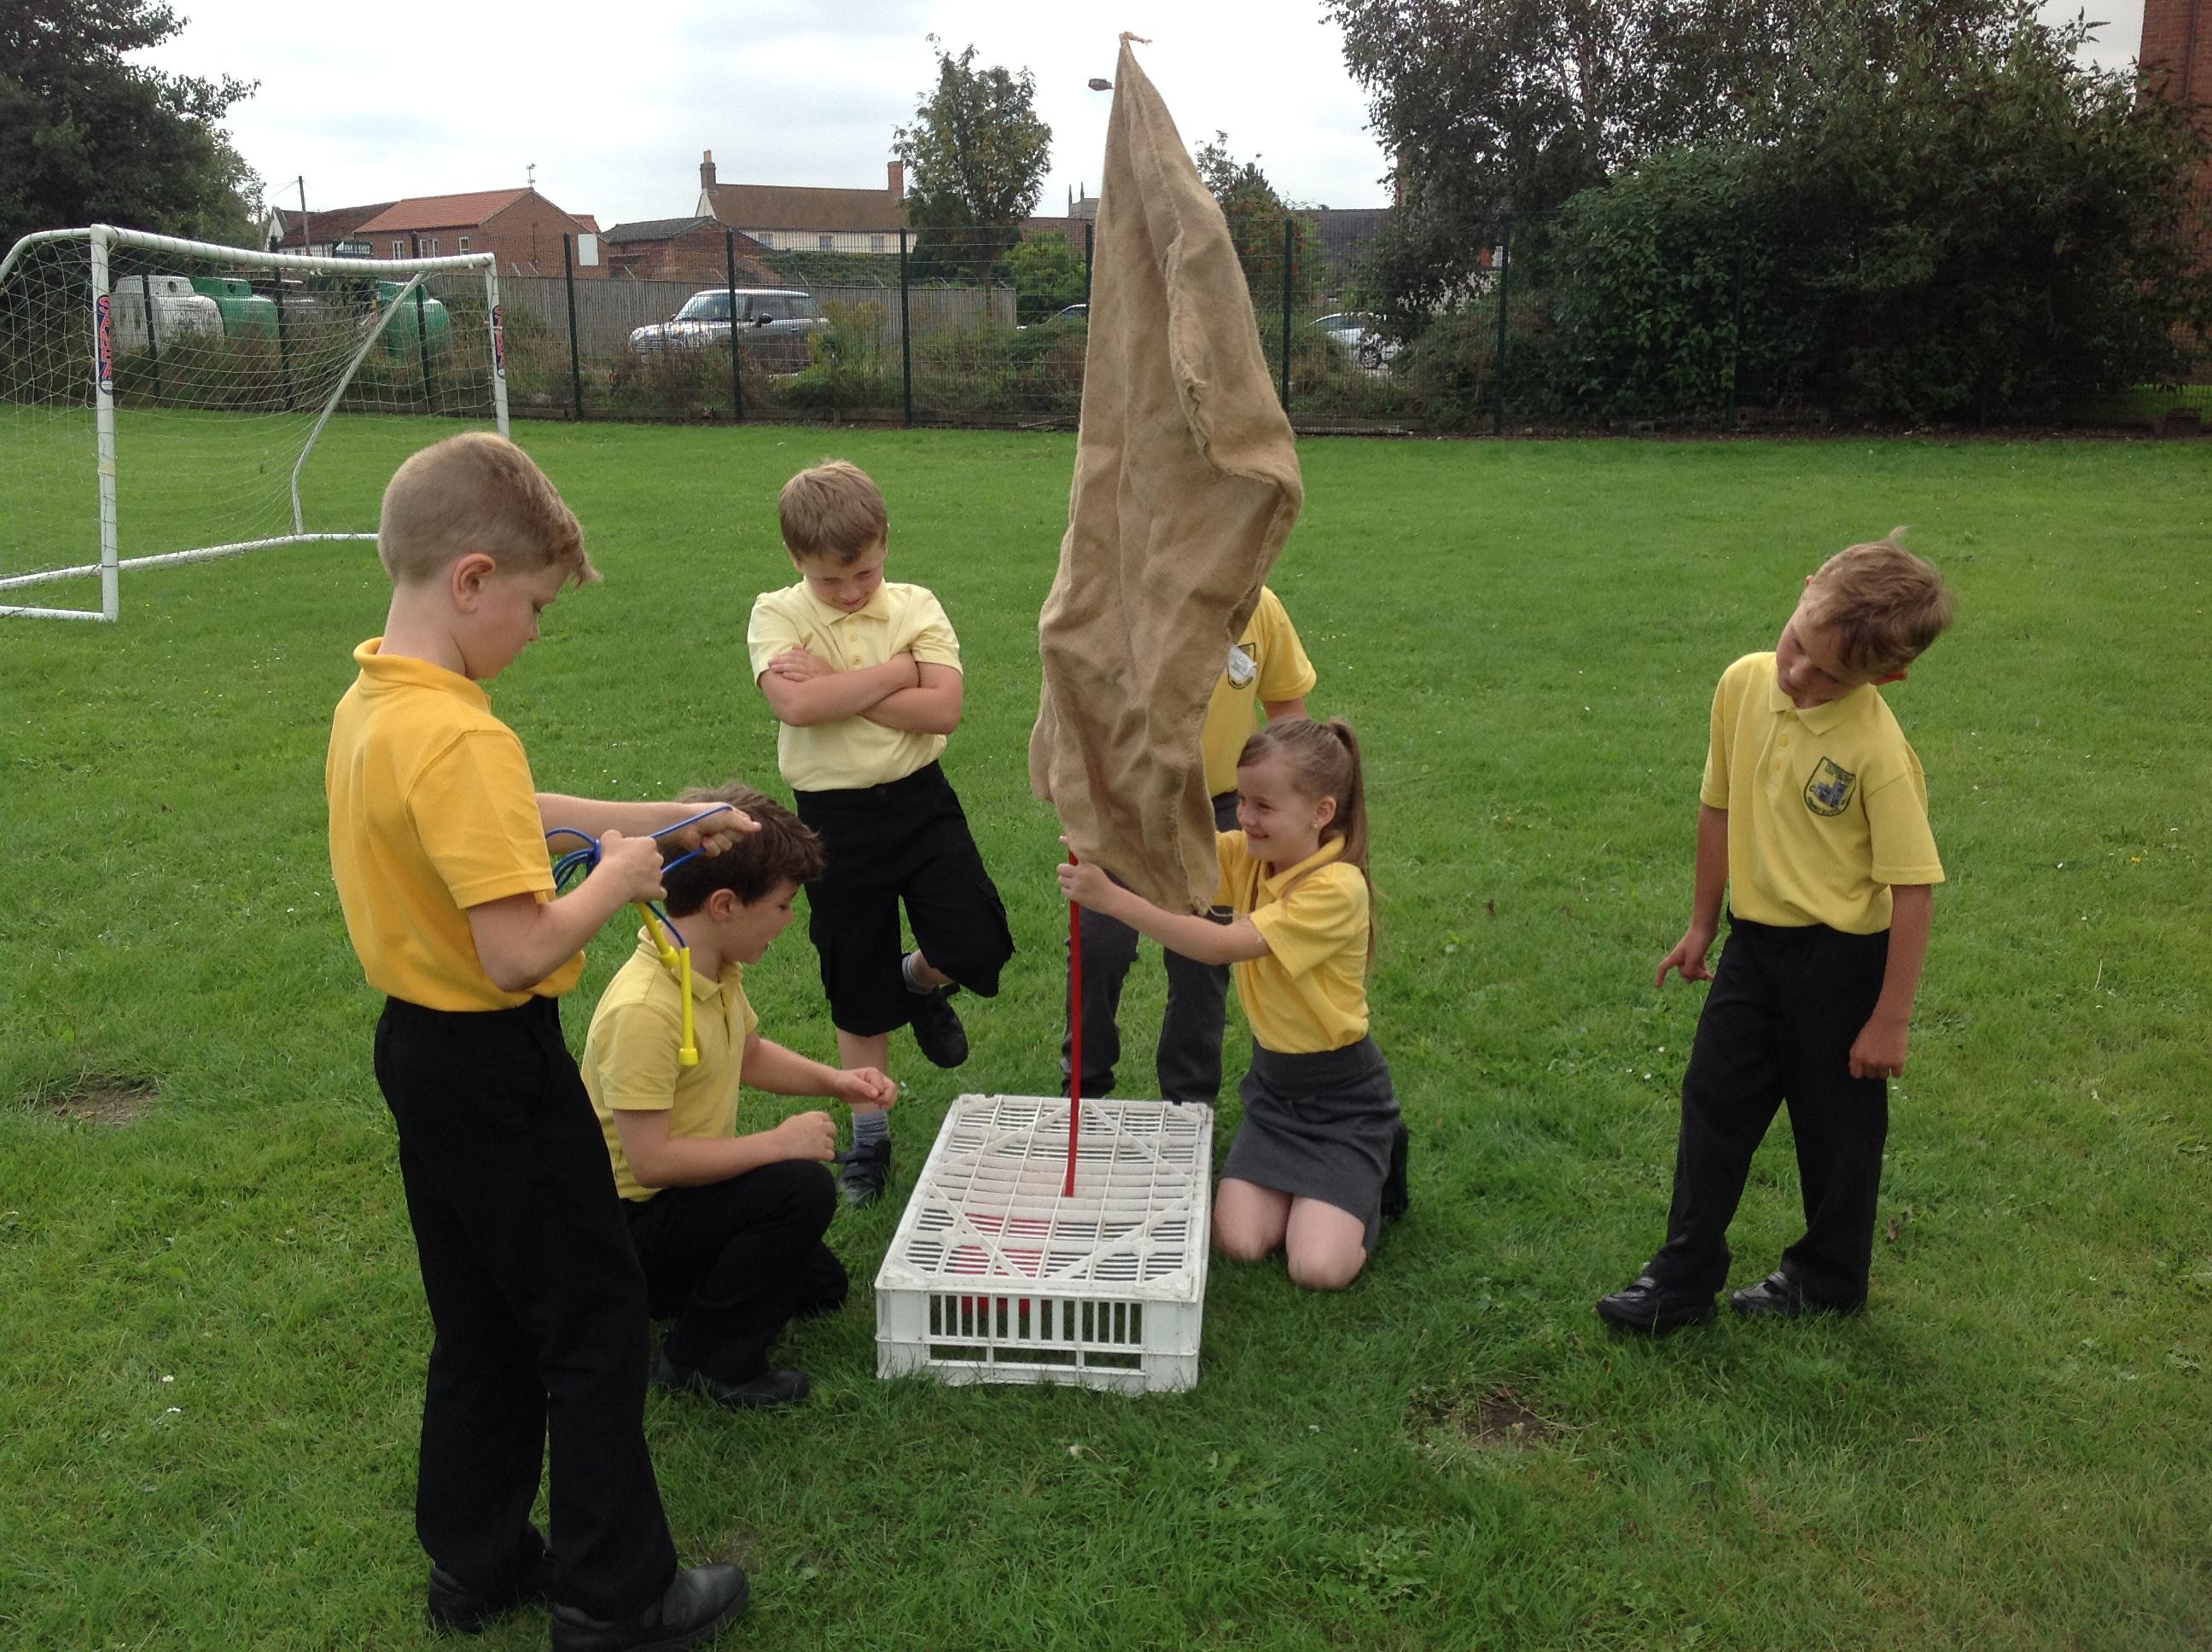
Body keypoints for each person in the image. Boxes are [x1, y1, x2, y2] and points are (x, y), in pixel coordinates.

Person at [325, 432, 752, 1651]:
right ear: (472, 580)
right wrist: (620, 879)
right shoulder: (463, 735)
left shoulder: (377, 704)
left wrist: (677, 819)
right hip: (497, 1065)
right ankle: (618, 1599)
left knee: (481, 1317)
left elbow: (518, 815)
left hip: (419, 1055)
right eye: (534, 606)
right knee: (597, 1317)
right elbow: (518, 949)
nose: (535, 631)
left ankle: (477, 1563)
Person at [1597, 534, 1955, 1334]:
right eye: (1798, 644)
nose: (1797, 675)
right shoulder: (1741, 685)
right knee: (1712, 1103)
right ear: (1804, 591)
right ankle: (1682, 1276)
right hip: (1754, 950)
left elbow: (1913, 890)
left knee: (1837, 1132)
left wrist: (1890, 1019)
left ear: (1885, 678)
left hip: (1843, 965)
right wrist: (1702, 923)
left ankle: (1827, 1279)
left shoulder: (1878, 753)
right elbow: (1717, 806)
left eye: (1827, 674)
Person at [747, 459, 1015, 1207]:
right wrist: (898, 675)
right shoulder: (777, 614)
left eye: (863, 573)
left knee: (978, 942)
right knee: (854, 977)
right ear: (795, 558)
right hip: (831, 817)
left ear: (886, 540)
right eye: (829, 581)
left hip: (922, 803)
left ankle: (918, 980)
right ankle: (870, 1138)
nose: (850, 593)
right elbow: (797, 709)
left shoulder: (915, 606)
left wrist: (837, 684)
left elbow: (943, 711)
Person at [1058, 718, 1403, 1290]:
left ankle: (1371, 1170)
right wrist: (1098, 821)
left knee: (1315, 1269)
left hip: (1344, 1102)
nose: (1243, 817)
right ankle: (1312, 1199)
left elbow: (1219, 947)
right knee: (1238, 1243)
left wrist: (1113, 900)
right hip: (1275, 1092)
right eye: (1241, 801)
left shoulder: (1337, 888)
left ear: (1321, 813)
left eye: (1263, 806)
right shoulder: (1249, 856)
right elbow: (1168, 860)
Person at [580, 784, 896, 1410]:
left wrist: (838, 1081)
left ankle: (702, 1291)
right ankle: (701, 1361)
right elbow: (651, 1161)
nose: (789, 920)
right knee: (800, 1190)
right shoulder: (644, 1008)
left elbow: (749, 1054)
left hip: (677, 1202)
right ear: (725, 905)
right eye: (782, 906)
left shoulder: (710, 967)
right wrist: (777, 1145)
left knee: (821, 1285)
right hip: (626, 1226)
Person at [1063, 585, 1317, 1104]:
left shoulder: (1256, 604)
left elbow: (1287, 709)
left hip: (1218, 807)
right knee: (1100, 947)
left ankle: (1189, 1102)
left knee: (1203, 961)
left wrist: (1290, 800)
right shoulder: (1120, 594)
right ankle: (1083, 1092)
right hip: (1122, 806)